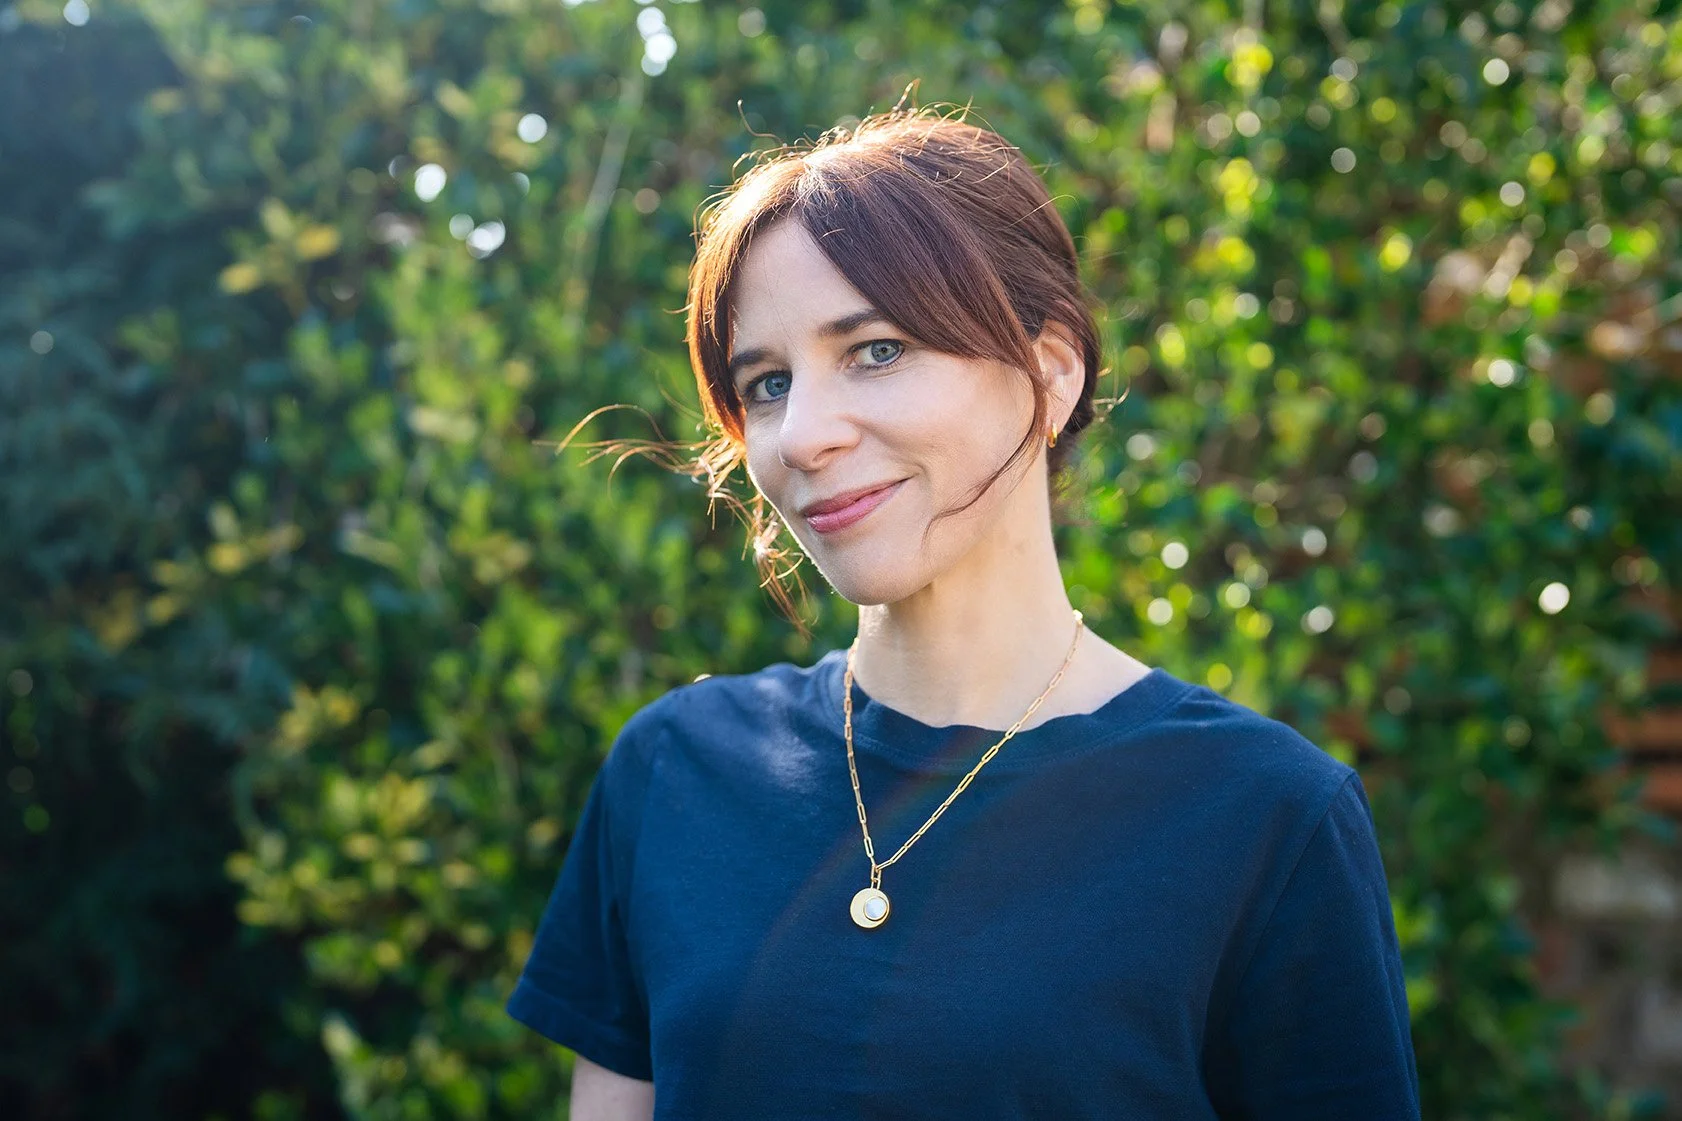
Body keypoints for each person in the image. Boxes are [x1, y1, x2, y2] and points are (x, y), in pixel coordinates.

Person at [506, 103, 1421, 1120]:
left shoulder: (1264, 817)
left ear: (1050, 372)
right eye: (765, 383)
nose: (801, 434)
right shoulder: (673, 769)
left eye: (875, 349)